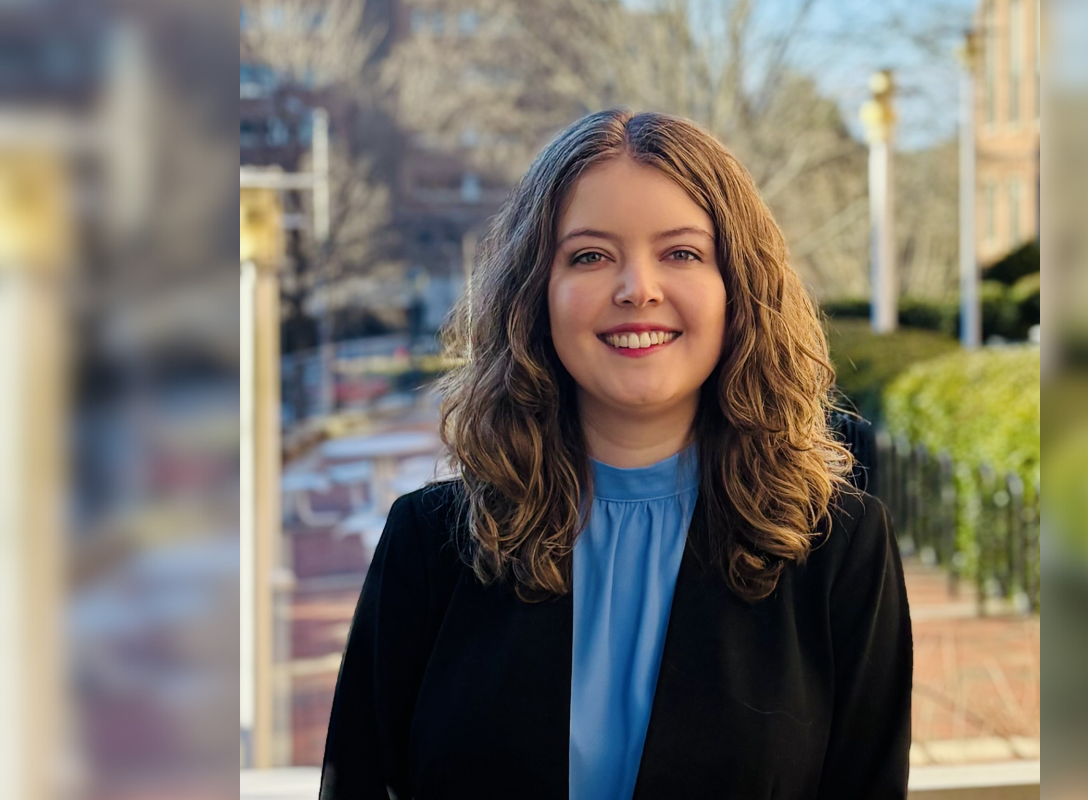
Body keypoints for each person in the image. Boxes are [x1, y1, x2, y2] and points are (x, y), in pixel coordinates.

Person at [319, 109, 912, 800]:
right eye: (590, 256)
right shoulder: (429, 546)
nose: (638, 289)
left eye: (682, 253)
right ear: (535, 296)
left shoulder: (840, 549)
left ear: (738, 291)